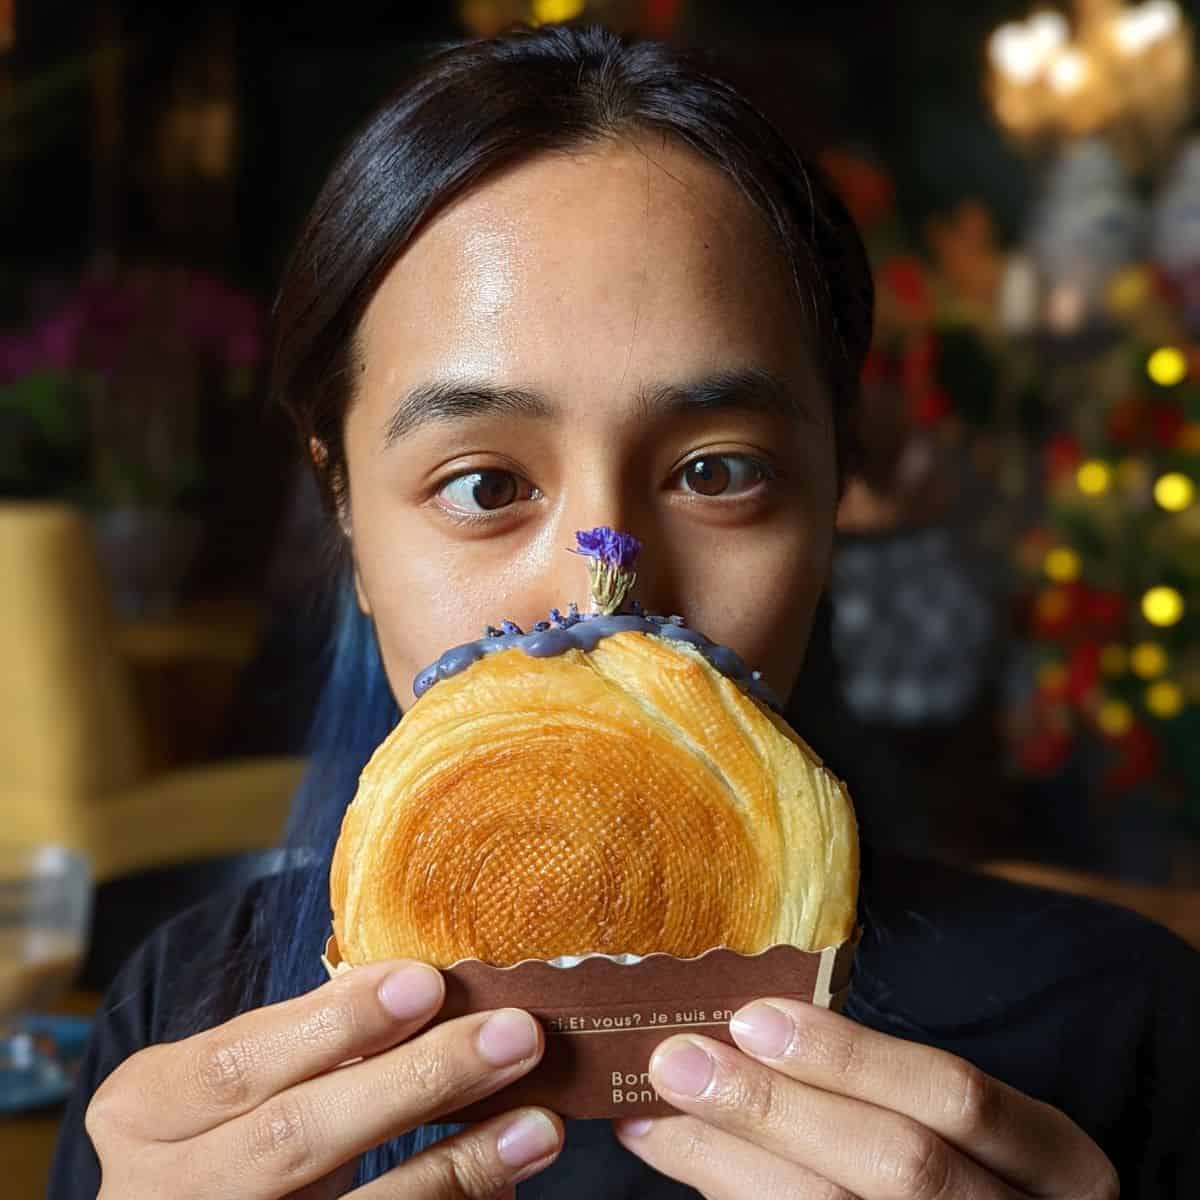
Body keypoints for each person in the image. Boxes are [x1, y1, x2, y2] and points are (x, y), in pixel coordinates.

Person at [50, 24, 1197, 1199]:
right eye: (485, 486)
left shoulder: (1120, 1037)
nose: (604, 595)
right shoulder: (180, 1041)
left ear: (830, 498)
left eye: (716, 471)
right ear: (346, 516)